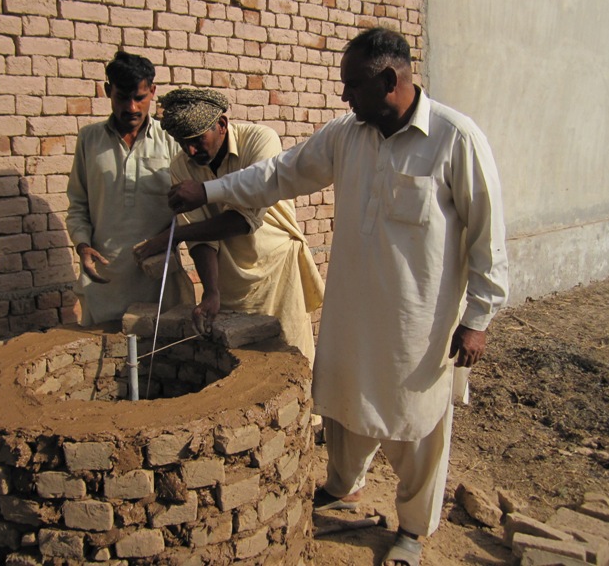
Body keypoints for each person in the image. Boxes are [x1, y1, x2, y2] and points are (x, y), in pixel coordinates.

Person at [167, 28, 509, 566]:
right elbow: (279, 174)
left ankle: (413, 529)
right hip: (352, 309)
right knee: (344, 402)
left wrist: (478, 318)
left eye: (352, 85)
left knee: (417, 422)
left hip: (416, 320)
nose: (344, 97)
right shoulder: (347, 135)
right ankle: (342, 483)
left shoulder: (455, 139)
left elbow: (488, 234)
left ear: (390, 80)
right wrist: (208, 191)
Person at [133, 89, 324, 363]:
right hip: (230, 276)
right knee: (242, 360)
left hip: (277, 269)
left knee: (289, 357)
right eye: (182, 143)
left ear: (221, 125)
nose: (191, 150)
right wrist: (211, 292)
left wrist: (173, 236)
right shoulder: (181, 166)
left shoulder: (260, 140)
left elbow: (246, 220)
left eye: (198, 140)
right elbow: (200, 238)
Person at [66, 51, 193, 325]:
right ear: (108, 91)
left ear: (153, 92)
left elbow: (189, 210)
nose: (132, 108)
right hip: (104, 279)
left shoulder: (170, 141)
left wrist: (166, 239)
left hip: (157, 278)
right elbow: (78, 204)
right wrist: (82, 246)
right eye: (122, 97)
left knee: (156, 360)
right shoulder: (89, 140)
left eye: (140, 98)